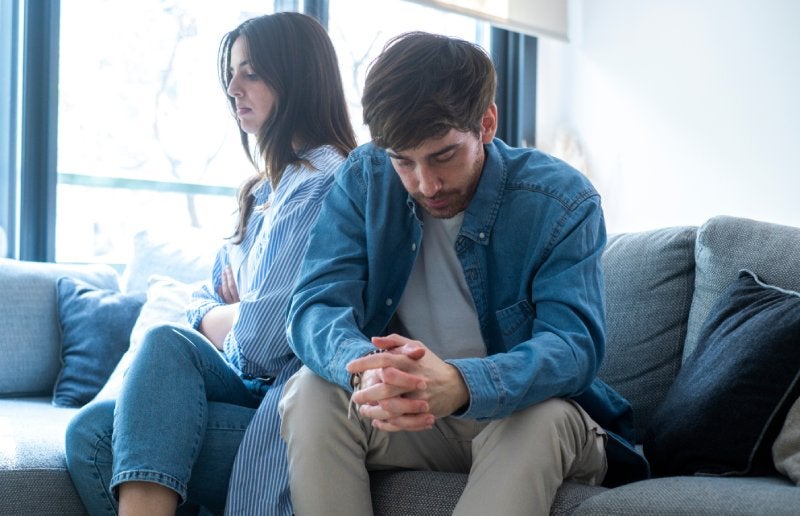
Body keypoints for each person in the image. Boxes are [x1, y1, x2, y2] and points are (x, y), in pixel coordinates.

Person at [279, 31, 650, 515]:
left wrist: (461, 383)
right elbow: (315, 305)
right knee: (309, 390)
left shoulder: (562, 200)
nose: (426, 184)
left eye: (443, 156)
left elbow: (574, 347)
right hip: (420, 421)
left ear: (487, 123)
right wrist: (367, 371)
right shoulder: (365, 177)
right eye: (403, 161)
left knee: (539, 417)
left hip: (523, 416)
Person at [65, 12, 356, 516]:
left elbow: (262, 348)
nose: (232, 88)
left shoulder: (321, 183)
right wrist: (229, 311)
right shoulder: (265, 191)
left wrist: (237, 314)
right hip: (248, 387)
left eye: (251, 73)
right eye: (231, 73)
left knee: (102, 428)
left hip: (285, 405)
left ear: (298, 79)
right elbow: (201, 296)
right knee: (102, 416)